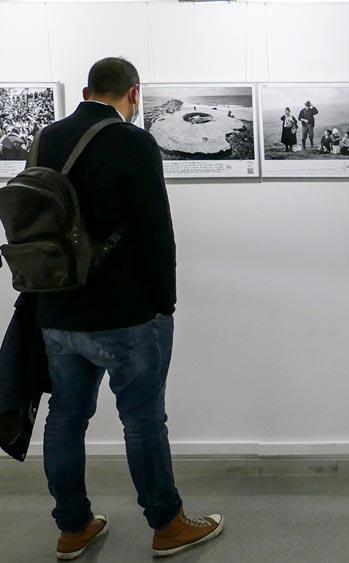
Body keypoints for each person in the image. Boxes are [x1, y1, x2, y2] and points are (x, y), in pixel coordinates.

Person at [32, 58, 224, 560]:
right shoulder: (133, 142)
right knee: (142, 422)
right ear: (133, 94)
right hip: (126, 313)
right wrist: (165, 303)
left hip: (56, 310)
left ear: (86, 90)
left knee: (65, 419)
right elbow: (155, 231)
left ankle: (73, 527)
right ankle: (167, 525)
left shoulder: (47, 137)